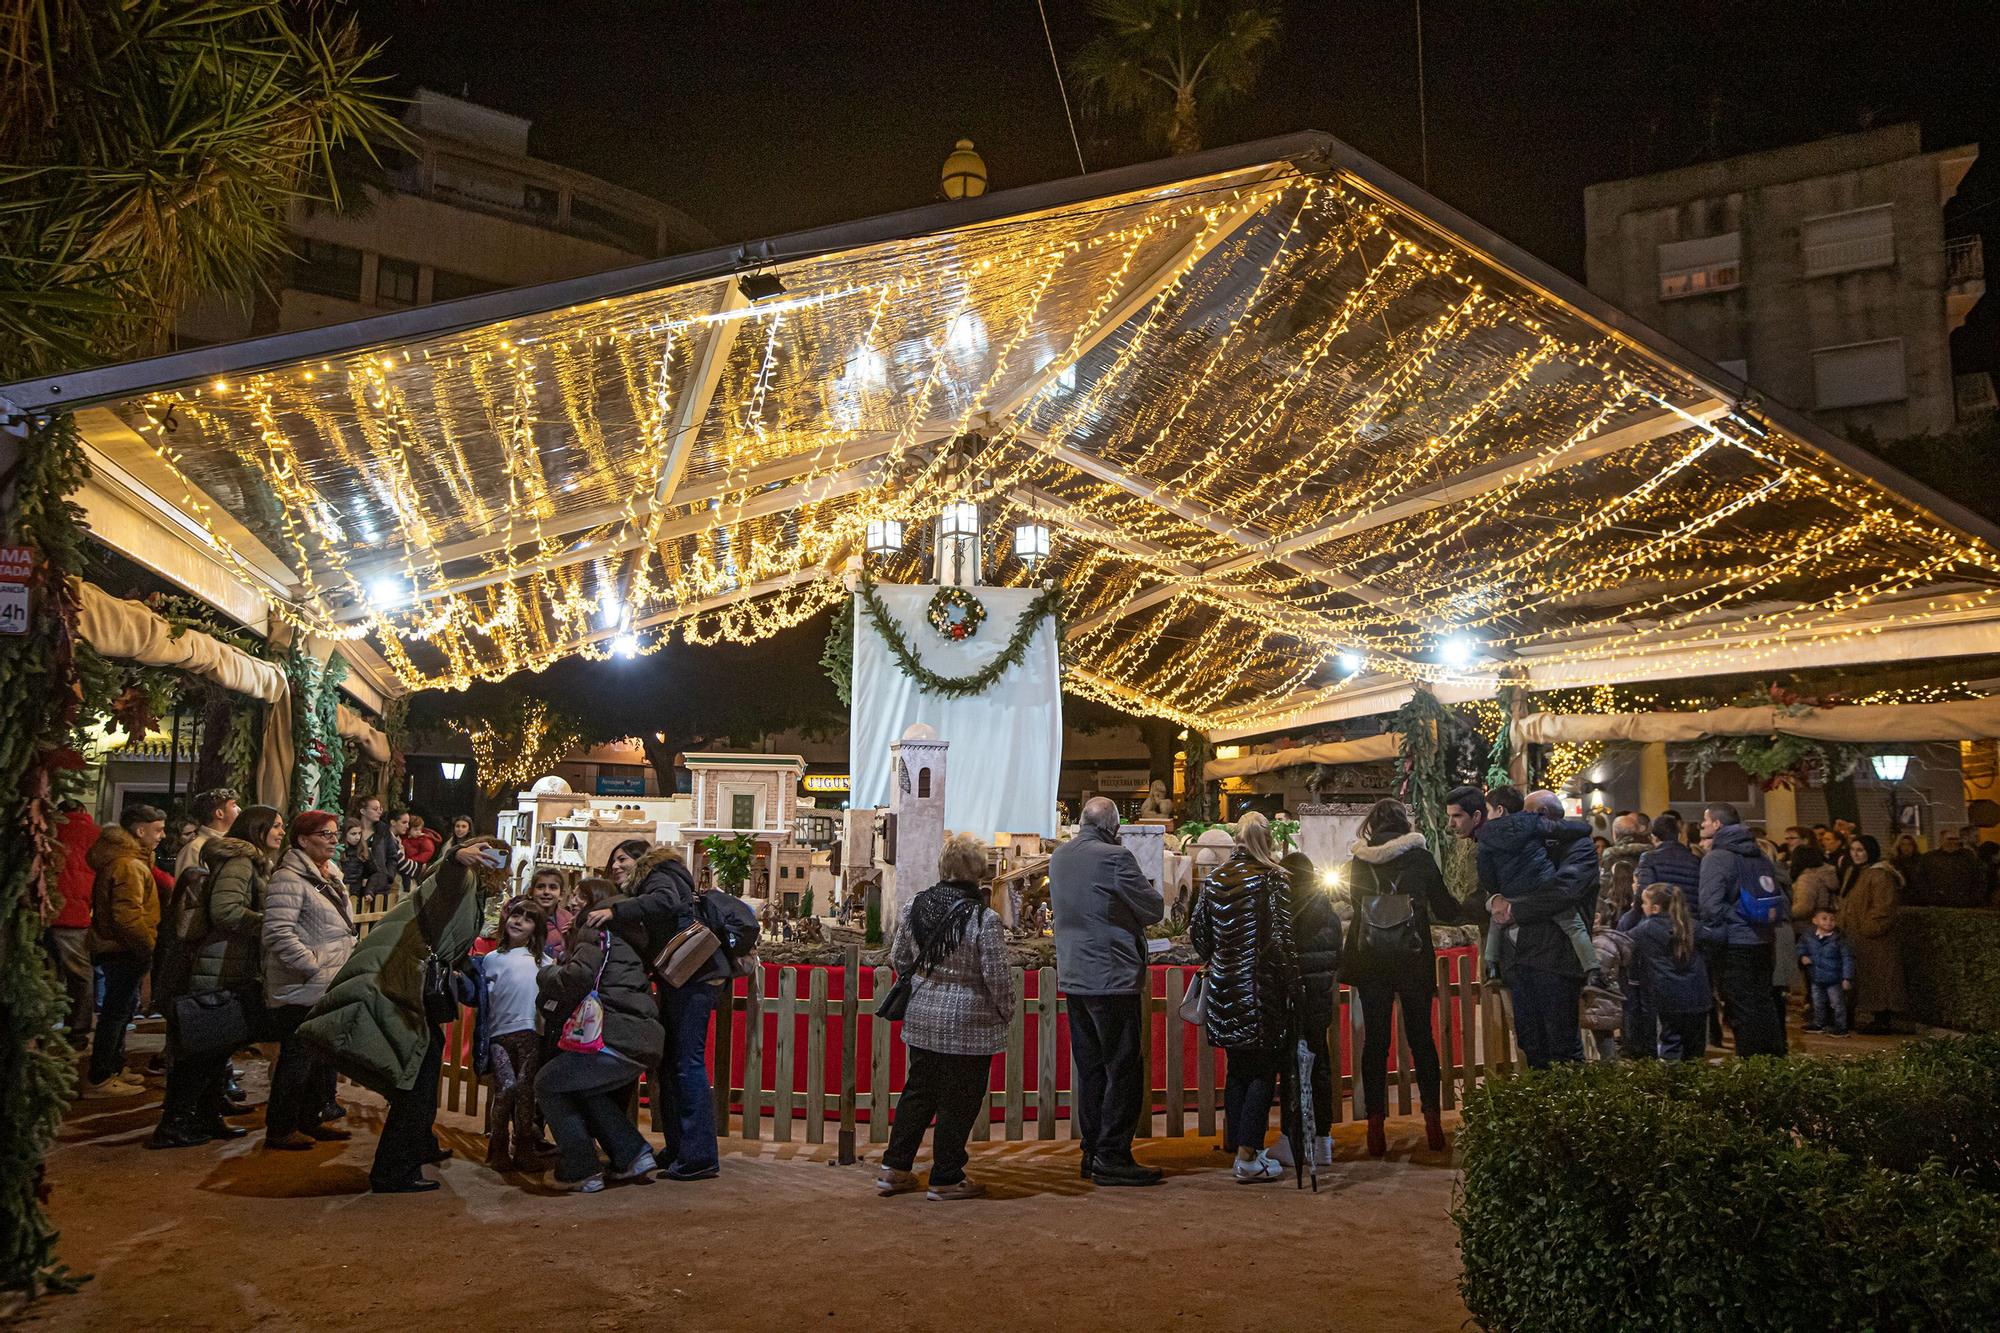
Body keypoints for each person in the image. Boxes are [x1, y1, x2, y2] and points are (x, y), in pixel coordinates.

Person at [299, 838, 501, 1193]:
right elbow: (447, 878)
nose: (498, 863)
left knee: (423, 1067)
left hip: (405, 980)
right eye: (492, 855)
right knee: (416, 1080)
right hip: (399, 980)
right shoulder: (464, 880)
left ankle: (419, 1145)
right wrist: (456, 857)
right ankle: (394, 1170)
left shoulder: (475, 894)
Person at [877, 834, 1014, 1201]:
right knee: (960, 1098)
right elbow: (997, 976)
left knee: (918, 1091)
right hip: (969, 1022)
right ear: (977, 870)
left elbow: (899, 957)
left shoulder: (915, 906)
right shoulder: (983, 918)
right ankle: (947, 1176)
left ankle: (895, 1167)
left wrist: (927, 982)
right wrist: (1006, 1011)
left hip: (923, 1016)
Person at [1047, 796, 1166, 1186]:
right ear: (1112, 826)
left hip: (1075, 975)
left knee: (1091, 1069)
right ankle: (1113, 1155)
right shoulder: (1116, 858)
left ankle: (1091, 1151)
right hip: (1112, 976)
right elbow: (1153, 909)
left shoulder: (1060, 858)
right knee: (1123, 1067)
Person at [587, 840, 722, 1180]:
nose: (616, 866)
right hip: (684, 978)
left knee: (687, 1063)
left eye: (623, 858)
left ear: (641, 858)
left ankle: (700, 1156)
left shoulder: (659, 874)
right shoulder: (655, 879)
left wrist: (615, 912)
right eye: (612, 861)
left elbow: (665, 901)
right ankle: (680, 1149)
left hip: (694, 976)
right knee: (673, 1064)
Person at [151, 806, 280, 1146]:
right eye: (276, 826)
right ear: (258, 828)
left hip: (230, 965)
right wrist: (270, 923)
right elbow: (225, 911)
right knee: (202, 1053)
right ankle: (174, 1124)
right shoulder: (240, 862)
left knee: (216, 1050)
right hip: (220, 965)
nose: (282, 832)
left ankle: (206, 1118)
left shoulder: (250, 861)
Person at [1345, 798, 1464, 1156]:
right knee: (1422, 1039)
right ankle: (1432, 1125)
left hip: (1371, 959)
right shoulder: (1420, 858)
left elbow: (1354, 905)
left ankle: (1376, 1129)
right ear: (1403, 823)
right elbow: (1444, 908)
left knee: (1376, 1043)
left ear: (1371, 824)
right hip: (1413, 959)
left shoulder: (1359, 861)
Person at [1189, 811, 1298, 1182]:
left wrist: (1219, 959)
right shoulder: (1273, 880)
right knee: (1263, 1071)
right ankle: (1250, 1155)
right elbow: (1283, 940)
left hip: (1224, 984)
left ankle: (1239, 1145)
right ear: (1267, 840)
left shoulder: (1215, 879)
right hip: (1261, 986)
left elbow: (1199, 935)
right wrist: (1292, 984)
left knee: (1237, 1068)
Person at [535, 876, 663, 1192]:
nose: (572, 900)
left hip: (614, 1036)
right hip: (641, 1038)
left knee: (548, 1083)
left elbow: (577, 977)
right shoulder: (622, 935)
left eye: (580, 896)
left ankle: (580, 1168)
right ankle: (632, 1153)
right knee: (586, 1089)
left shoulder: (594, 930)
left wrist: (547, 972)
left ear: (596, 903)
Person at [1477, 788, 1597, 1069]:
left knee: (1562, 1045)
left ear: (1540, 816)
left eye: (1526, 814)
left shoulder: (1578, 847)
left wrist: (1514, 910)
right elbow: (1495, 883)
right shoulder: (1528, 842)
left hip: (1557, 960)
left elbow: (1563, 892)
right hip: (1523, 960)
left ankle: (1570, 1107)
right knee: (1531, 1042)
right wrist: (1495, 899)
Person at [258, 810, 355, 1148]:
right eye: (324, 834)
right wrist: (313, 965)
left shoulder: (330, 874)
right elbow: (277, 932)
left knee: (319, 1061)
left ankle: (310, 1119)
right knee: (297, 1061)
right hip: (301, 986)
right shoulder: (289, 878)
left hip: (325, 984)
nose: (333, 840)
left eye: (334, 833)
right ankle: (281, 1128)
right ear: (302, 839)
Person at [82, 805, 167, 1096]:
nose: (162, 836)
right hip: (123, 949)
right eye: (157, 830)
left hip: (120, 948)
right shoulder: (128, 865)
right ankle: (101, 1075)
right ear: (139, 830)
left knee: (122, 1010)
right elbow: (127, 915)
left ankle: (115, 1067)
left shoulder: (129, 861)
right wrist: (146, 946)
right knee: (116, 1013)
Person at [467, 898, 554, 1168]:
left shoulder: (545, 963)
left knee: (527, 1091)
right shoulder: (492, 960)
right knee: (506, 1087)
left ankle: (524, 1145)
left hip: (530, 1032)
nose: (518, 922)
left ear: (536, 929)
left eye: (527, 919)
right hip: (499, 1034)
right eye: (516, 915)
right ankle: (498, 1145)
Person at [1696, 803, 1785, 1057]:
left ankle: (1751, 1068)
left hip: (1735, 943)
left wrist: (1733, 920)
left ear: (1718, 825)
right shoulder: (1758, 855)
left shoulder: (1717, 858)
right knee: (1764, 1002)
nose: (1702, 825)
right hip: (1764, 939)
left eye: (1705, 821)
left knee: (1741, 1008)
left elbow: (1710, 905)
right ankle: (1774, 1062)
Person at [1274, 839, 1340, 1170]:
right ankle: (1322, 1140)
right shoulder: (1326, 909)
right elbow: (1335, 954)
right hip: (1319, 999)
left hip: (1290, 997)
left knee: (1290, 1069)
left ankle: (1291, 1138)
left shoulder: (1282, 910)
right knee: (1320, 1066)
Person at [1626, 885, 1719, 1061]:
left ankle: (1671, 1084)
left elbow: (1622, 940)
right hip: (1698, 996)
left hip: (1667, 998)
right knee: (1695, 1050)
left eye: (1644, 903)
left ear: (1655, 908)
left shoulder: (1645, 930)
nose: (1641, 907)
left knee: (1670, 1043)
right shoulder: (1692, 926)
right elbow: (1716, 938)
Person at [1841, 836, 1907, 1033]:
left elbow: (1883, 908)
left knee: (1880, 978)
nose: (1856, 854)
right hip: (1855, 935)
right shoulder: (1854, 872)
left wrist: (1869, 928)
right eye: (1853, 850)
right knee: (1863, 977)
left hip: (1874, 939)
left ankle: (1883, 1019)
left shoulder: (1880, 875)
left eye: (1860, 850)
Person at [47, 800, 101, 1038]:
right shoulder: (96, 835)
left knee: (46, 972)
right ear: (83, 812)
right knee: (80, 975)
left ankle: (39, 1028)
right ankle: (78, 1029)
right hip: (76, 915)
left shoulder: (48, 832)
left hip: (42, 912)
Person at [1797, 906, 1855, 1036]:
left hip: (1834, 978)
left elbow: (1847, 958)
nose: (1828, 922)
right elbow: (1801, 947)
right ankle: (1819, 1023)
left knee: (1837, 1003)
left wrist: (1847, 977)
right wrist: (1802, 956)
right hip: (1816, 977)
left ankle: (1841, 1026)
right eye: (1824, 919)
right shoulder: (1808, 937)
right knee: (1818, 1002)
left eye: (1832, 919)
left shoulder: (1839, 940)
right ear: (1815, 920)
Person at [1597, 812, 1654, 930]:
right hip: (1646, 908)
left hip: (1617, 911)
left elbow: (1604, 887)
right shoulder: (1651, 852)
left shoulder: (1611, 855)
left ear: (1615, 834)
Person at [1635, 812, 1702, 903]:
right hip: (1689, 915)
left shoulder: (1649, 858)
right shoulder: (1695, 860)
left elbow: (1645, 892)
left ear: (1654, 837)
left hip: (1660, 914)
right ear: (1678, 836)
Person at [175, 788, 240, 880]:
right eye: (233, 805)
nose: (239, 809)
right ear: (219, 813)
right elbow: (187, 890)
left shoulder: (235, 843)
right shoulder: (194, 849)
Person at [1912, 828, 1985, 908]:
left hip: (1964, 903)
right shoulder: (1929, 858)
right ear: (1941, 840)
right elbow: (1921, 880)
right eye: (1950, 839)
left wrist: (1973, 899)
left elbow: (1979, 877)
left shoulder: (1968, 857)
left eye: (1955, 839)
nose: (1953, 842)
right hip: (1938, 903)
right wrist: (1930, 899)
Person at [526, 867, 571, 961]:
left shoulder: (568, 919)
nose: (546, 892)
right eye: (540, 887)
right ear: (531, 892)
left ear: (561, 895)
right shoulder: (520, 917)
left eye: (553, 887)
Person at [339, 818, 370, 900]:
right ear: (345, 834)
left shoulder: (363, 850)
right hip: (340, 891)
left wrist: (368, 890)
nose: (357, 837)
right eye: (353, 834)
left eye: (359, 833)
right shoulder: (338, 849)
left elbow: (372, 872)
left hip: (358, 894)